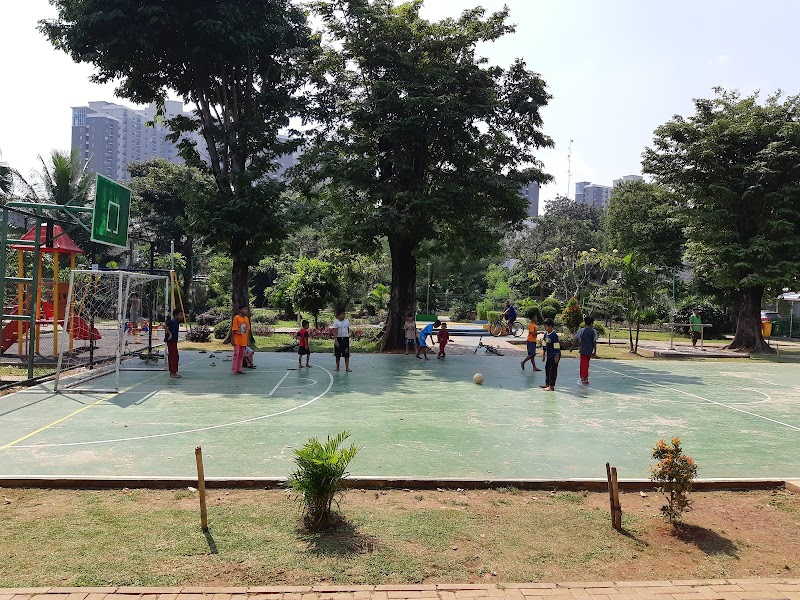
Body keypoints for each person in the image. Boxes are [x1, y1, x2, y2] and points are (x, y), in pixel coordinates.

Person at [575, 316, 599, 385]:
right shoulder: (593, 331)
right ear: (591, 323)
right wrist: (595, 351)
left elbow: (576, 339)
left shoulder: (582, 330)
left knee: (583, 363)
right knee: (586, 364)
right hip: (589, 350)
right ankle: (585, 377)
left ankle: (583, 377)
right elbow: (594, 342)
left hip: (583, 349)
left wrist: (572, 347)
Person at [540, 318, 561, 392]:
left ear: (550, 326)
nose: (545, 328)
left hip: (554, 355)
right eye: (544, 326)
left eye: (546, 326)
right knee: (547, 369)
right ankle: (547, 384)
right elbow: (544, 345)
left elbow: (557, 346)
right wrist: (543, 354)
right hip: (549, 355)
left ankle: (551, 386)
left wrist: (557, 356)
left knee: (553, 370)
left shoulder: (554, 335)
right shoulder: (546, 334)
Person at [164, 307, 183, 378]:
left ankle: (173, 372)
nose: (181, 317)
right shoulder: (173, 321)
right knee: (173, 356)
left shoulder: (176, 322)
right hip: (171, 341)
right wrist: (170, 333)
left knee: (174, 356)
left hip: (174, 341)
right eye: (180, 315)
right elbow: (164, 325)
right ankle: (173, 373)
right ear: (175, 315)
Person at [231, 305, 250, 375]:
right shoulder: (236, 318)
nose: (246, 310)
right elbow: (234, 329)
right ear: (240, 310)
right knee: (236, 354)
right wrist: (232, 339)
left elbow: (247, 330)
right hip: (237, 339)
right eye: (245, 309)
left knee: (241, 355)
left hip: (243, 340)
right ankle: (234, 370)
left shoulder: (247, 319)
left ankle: (239, 369)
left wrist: (247, 340)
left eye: (247, 309)